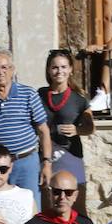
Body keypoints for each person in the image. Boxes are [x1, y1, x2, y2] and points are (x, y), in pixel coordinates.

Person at [0, 50, 52, 206]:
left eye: (4, 67)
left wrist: (47, 163)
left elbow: (43, 130)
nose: (0, 72)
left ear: (12, 69)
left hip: (25, 163)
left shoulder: (28, 94)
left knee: (30, 209)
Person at [39, 51, 93, 213]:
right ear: (48, 70)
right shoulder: (39, 95)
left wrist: (77, 129)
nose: (59, 71)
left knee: (77, 206)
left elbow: (90, 127)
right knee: (47, 205)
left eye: (63, 67)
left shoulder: (79, 98)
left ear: (70, 70)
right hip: (45, 156)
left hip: (70, 154)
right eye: (55, 67)